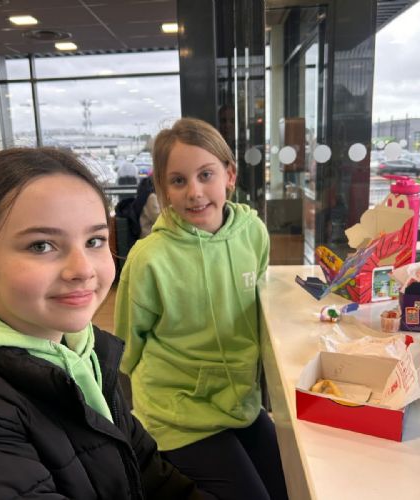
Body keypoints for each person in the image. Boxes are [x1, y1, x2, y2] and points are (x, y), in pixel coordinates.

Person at [0, 147, 215, 499]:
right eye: (41, 246)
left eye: (94, 241)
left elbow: (146, 470)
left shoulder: (81, 350)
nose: (82, 269)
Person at [114, 118, 289, 500]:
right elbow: (127, 346)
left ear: (230, 175)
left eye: (205, 175)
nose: (194, 192)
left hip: (239, 401)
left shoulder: (253, 233)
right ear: (163, 189)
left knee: (290, 483)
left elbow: (258, 308)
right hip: (177, 414)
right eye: (178, 181)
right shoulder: (148, 259)